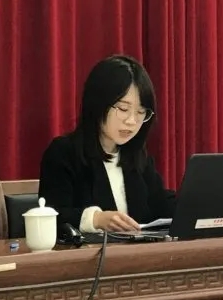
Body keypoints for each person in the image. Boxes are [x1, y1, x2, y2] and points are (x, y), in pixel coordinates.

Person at [38, 54, 175, 233]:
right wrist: (95, 219)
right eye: (123, 109)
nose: (132, 121)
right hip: (89, 251)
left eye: (141, 112)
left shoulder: (137, 157)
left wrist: (198, 203)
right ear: (98, 103)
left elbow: (161, 204)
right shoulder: (64, 153)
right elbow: (51, 216)